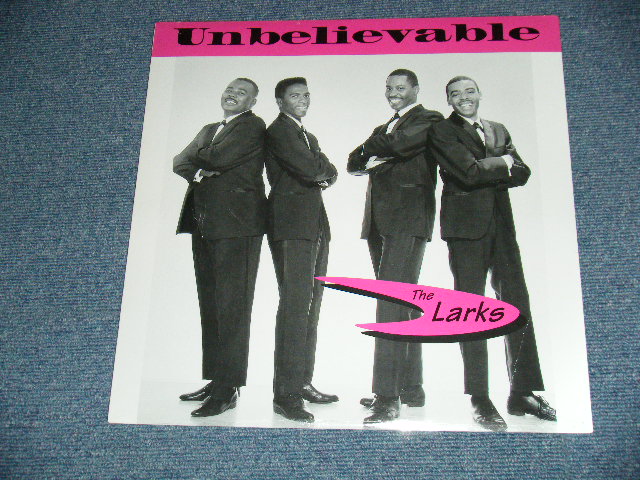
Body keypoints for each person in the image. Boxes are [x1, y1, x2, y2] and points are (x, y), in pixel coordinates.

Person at [428, 75, 556, 431]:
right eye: (455, 94)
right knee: (470, 309)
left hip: (502, 224)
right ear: (449, 101)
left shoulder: (497, 128)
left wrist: (495, 165)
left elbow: (523, 172)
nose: (464, 98)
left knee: (517, 304)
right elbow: (468, 173)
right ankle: (480, 398)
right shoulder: (442, 130)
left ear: (479, 94)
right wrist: (502, 162)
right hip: (465, 228)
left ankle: (523, 392)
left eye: (469, 91)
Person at [347, 69, 443, 424]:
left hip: (408, 219)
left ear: (416, 89)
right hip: (379, 221)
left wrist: (376, 148)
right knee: (403, 303)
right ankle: (411, 388)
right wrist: (376, 150)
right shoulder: (385, 127)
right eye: (388, 88)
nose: (393, 93)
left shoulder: (429, 119)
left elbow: (400, 145)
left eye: (400, 88)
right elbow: (353, 162)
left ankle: (387, 397)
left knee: (390, 303)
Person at [172, 78, 267, 417]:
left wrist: (198, 160)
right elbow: (179, 161)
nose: (232, 94)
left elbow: (217, 157)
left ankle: (229, 388)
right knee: (211, 305)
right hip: (204, 223)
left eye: (242, 92)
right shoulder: (210, 128)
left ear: (252, 102)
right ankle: (216, 380)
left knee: (233, 309)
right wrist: (199, 169)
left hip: (238, 227)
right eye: (229, 89)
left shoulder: (252, 126)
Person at [265, 77, 339, 423]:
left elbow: (330, 173)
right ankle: (286, 395)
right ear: (280, 102)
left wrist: (321, 172)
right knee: (295, 307)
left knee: (311, 305)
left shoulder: (307, 135)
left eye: (306, 95)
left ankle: (302, 382)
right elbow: (312, 169)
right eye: (295, 96)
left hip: (315, 226)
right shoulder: (279, 131)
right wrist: (318, 171)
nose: (303, 100)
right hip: (291, 225)